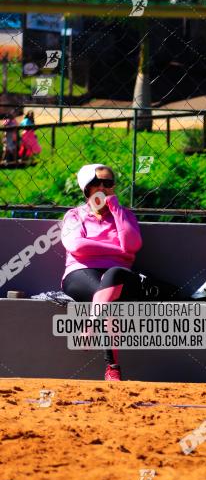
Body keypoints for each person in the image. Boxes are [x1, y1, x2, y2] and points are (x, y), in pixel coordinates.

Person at [61, 164, 144, 382]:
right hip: (81, 273)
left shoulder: (125, 215)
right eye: (98, 183)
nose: (104, 188)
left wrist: (116, 210)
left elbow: (133, 244)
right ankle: (113, 368)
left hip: (118, 275)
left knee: (113, 275)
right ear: (87, 188)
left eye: (108, 183)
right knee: (108, 297)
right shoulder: (74, 216)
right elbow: (76, 245)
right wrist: (118, 250)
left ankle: (90, 323)